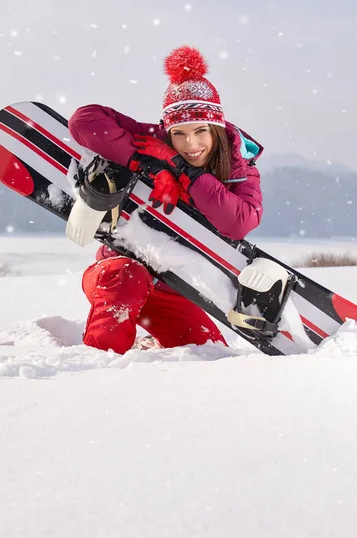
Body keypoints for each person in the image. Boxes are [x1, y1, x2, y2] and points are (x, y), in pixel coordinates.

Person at [68, 45, 264, 355]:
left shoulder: (240, 169)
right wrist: (147, 164)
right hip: (118, 270)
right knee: (127, 278)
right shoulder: (153, 141)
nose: (191, 143)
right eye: (179, 134)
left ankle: (150, 343)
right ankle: (95, 374)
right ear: (167, 131)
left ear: (216, 130)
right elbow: (84, 120)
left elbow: (238, 223)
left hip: (174, 285)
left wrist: (180, 168)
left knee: (209, 352)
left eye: (201, 131)